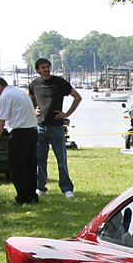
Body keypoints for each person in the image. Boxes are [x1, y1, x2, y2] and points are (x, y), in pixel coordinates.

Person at [29, 58, 82, 198]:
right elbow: (28, 96)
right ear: (38, 70)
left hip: (57, 127)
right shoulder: (34, 84)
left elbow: (77, 97)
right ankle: (41, 187)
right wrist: (33, 108)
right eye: (43, 67)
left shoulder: (59, 83)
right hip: (40, 127)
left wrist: (66, 114)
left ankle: (66, 189)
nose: (46, 69)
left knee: (61, 159)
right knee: (40, 159)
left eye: (48, 66)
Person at [0, 76, 38, 205]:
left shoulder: (5, 96)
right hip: (32, 131)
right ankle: (31, 195)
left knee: (16, 168)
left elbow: (0, 122)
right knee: (30, 166)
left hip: (19, 133)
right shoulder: (20, 92)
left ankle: (22, 197)